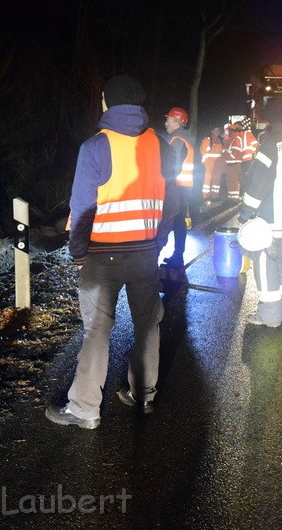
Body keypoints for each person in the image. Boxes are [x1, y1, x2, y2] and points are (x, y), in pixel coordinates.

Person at [47, 74, 178, 429]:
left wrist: (78, 253)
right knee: (148, 325)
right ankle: (143, 396)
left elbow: (82, 207)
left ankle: (85, 408)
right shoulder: (162, 146)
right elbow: (173, 202)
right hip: (145, 254)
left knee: (97, 331)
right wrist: (159, 239)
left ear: (107, 102)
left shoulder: (95, 147)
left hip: (102, 258)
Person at [238, 97, 282, 327]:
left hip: (269, 216)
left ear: (268, 117)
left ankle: (269, 316)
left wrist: (246, 212)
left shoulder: (270, 145)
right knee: (278, 262)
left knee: (265, 265)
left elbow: (258, 182)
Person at [161, 106, 194, 267]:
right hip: (184, 186)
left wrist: (164, 183)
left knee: (175, 221)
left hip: (177, 187)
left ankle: (177, 257)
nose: (166, 122)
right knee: (178, 221)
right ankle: (177, 255)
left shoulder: (177, 140)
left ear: (176, 121)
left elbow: (172, 167)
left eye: (168, 119)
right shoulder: (186, 139)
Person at [223, 115, 257, 201]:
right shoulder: (238, 135)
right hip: (244, 161)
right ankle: (243, 195)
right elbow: (226, 138)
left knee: (246, 178)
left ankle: (247, 195)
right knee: (242, 178)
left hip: (248, 160)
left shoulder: (243, 134)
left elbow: (255, 145)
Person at [199, 124, 225, 206]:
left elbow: (223, 152)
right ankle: (205, 196)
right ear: (212, 131)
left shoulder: (221, 140)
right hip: (209, 163)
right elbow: (203, 151)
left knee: (216, 181)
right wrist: (206, 161)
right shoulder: (207, 140)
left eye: (218, 130)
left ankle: (215, 196)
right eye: (216, 130)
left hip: (218, 164)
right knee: (207, 180)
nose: (217, 132)